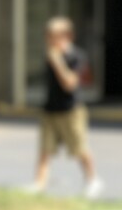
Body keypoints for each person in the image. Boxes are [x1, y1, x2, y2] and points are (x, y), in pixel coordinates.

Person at [26, 16, 103, 199]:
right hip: (50, 109)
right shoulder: (51, 55)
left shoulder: (76, 56)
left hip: (71, 110)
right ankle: (39, 183)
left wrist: (58, 62)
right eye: (48, 36)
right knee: (45, 149)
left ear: (67, 36)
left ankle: (92, 180)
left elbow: (70, 83)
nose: (50, 40)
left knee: (79, 148)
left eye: (53, 36)